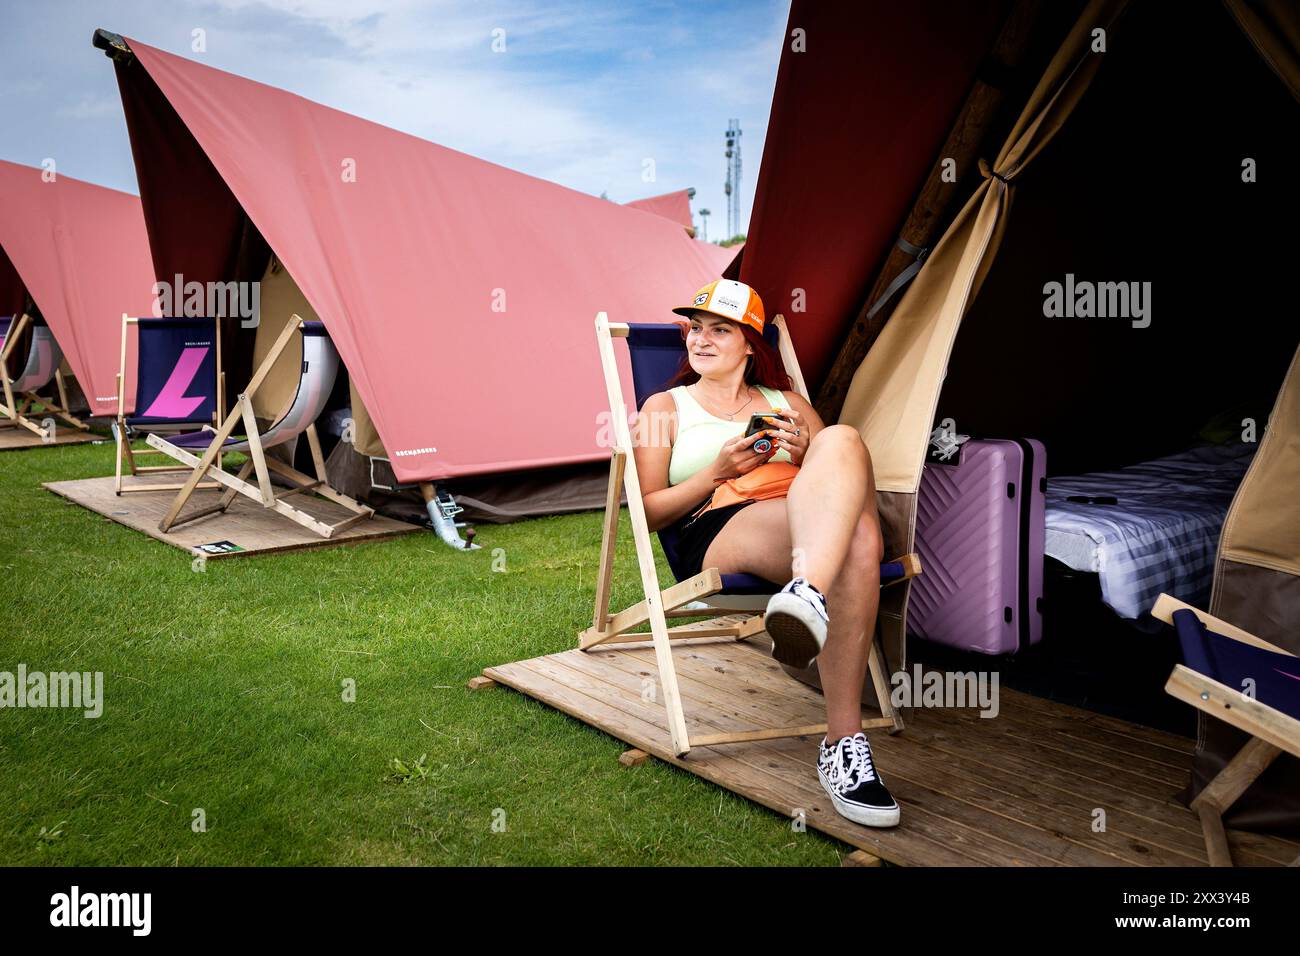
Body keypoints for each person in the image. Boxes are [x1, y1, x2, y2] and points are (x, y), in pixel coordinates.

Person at [632, 279, 900, 828]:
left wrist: (806, 455)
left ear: (751, 344)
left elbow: (849, 491)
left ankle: (808, 599)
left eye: (720, 330)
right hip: (717, 524)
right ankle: (843, 742)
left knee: (843, 443)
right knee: (857, 543)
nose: (701, 340)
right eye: (695, 329)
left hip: (803, 524)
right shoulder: (664, 406)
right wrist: (718, 471)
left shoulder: (790, 403)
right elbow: (649, 510)